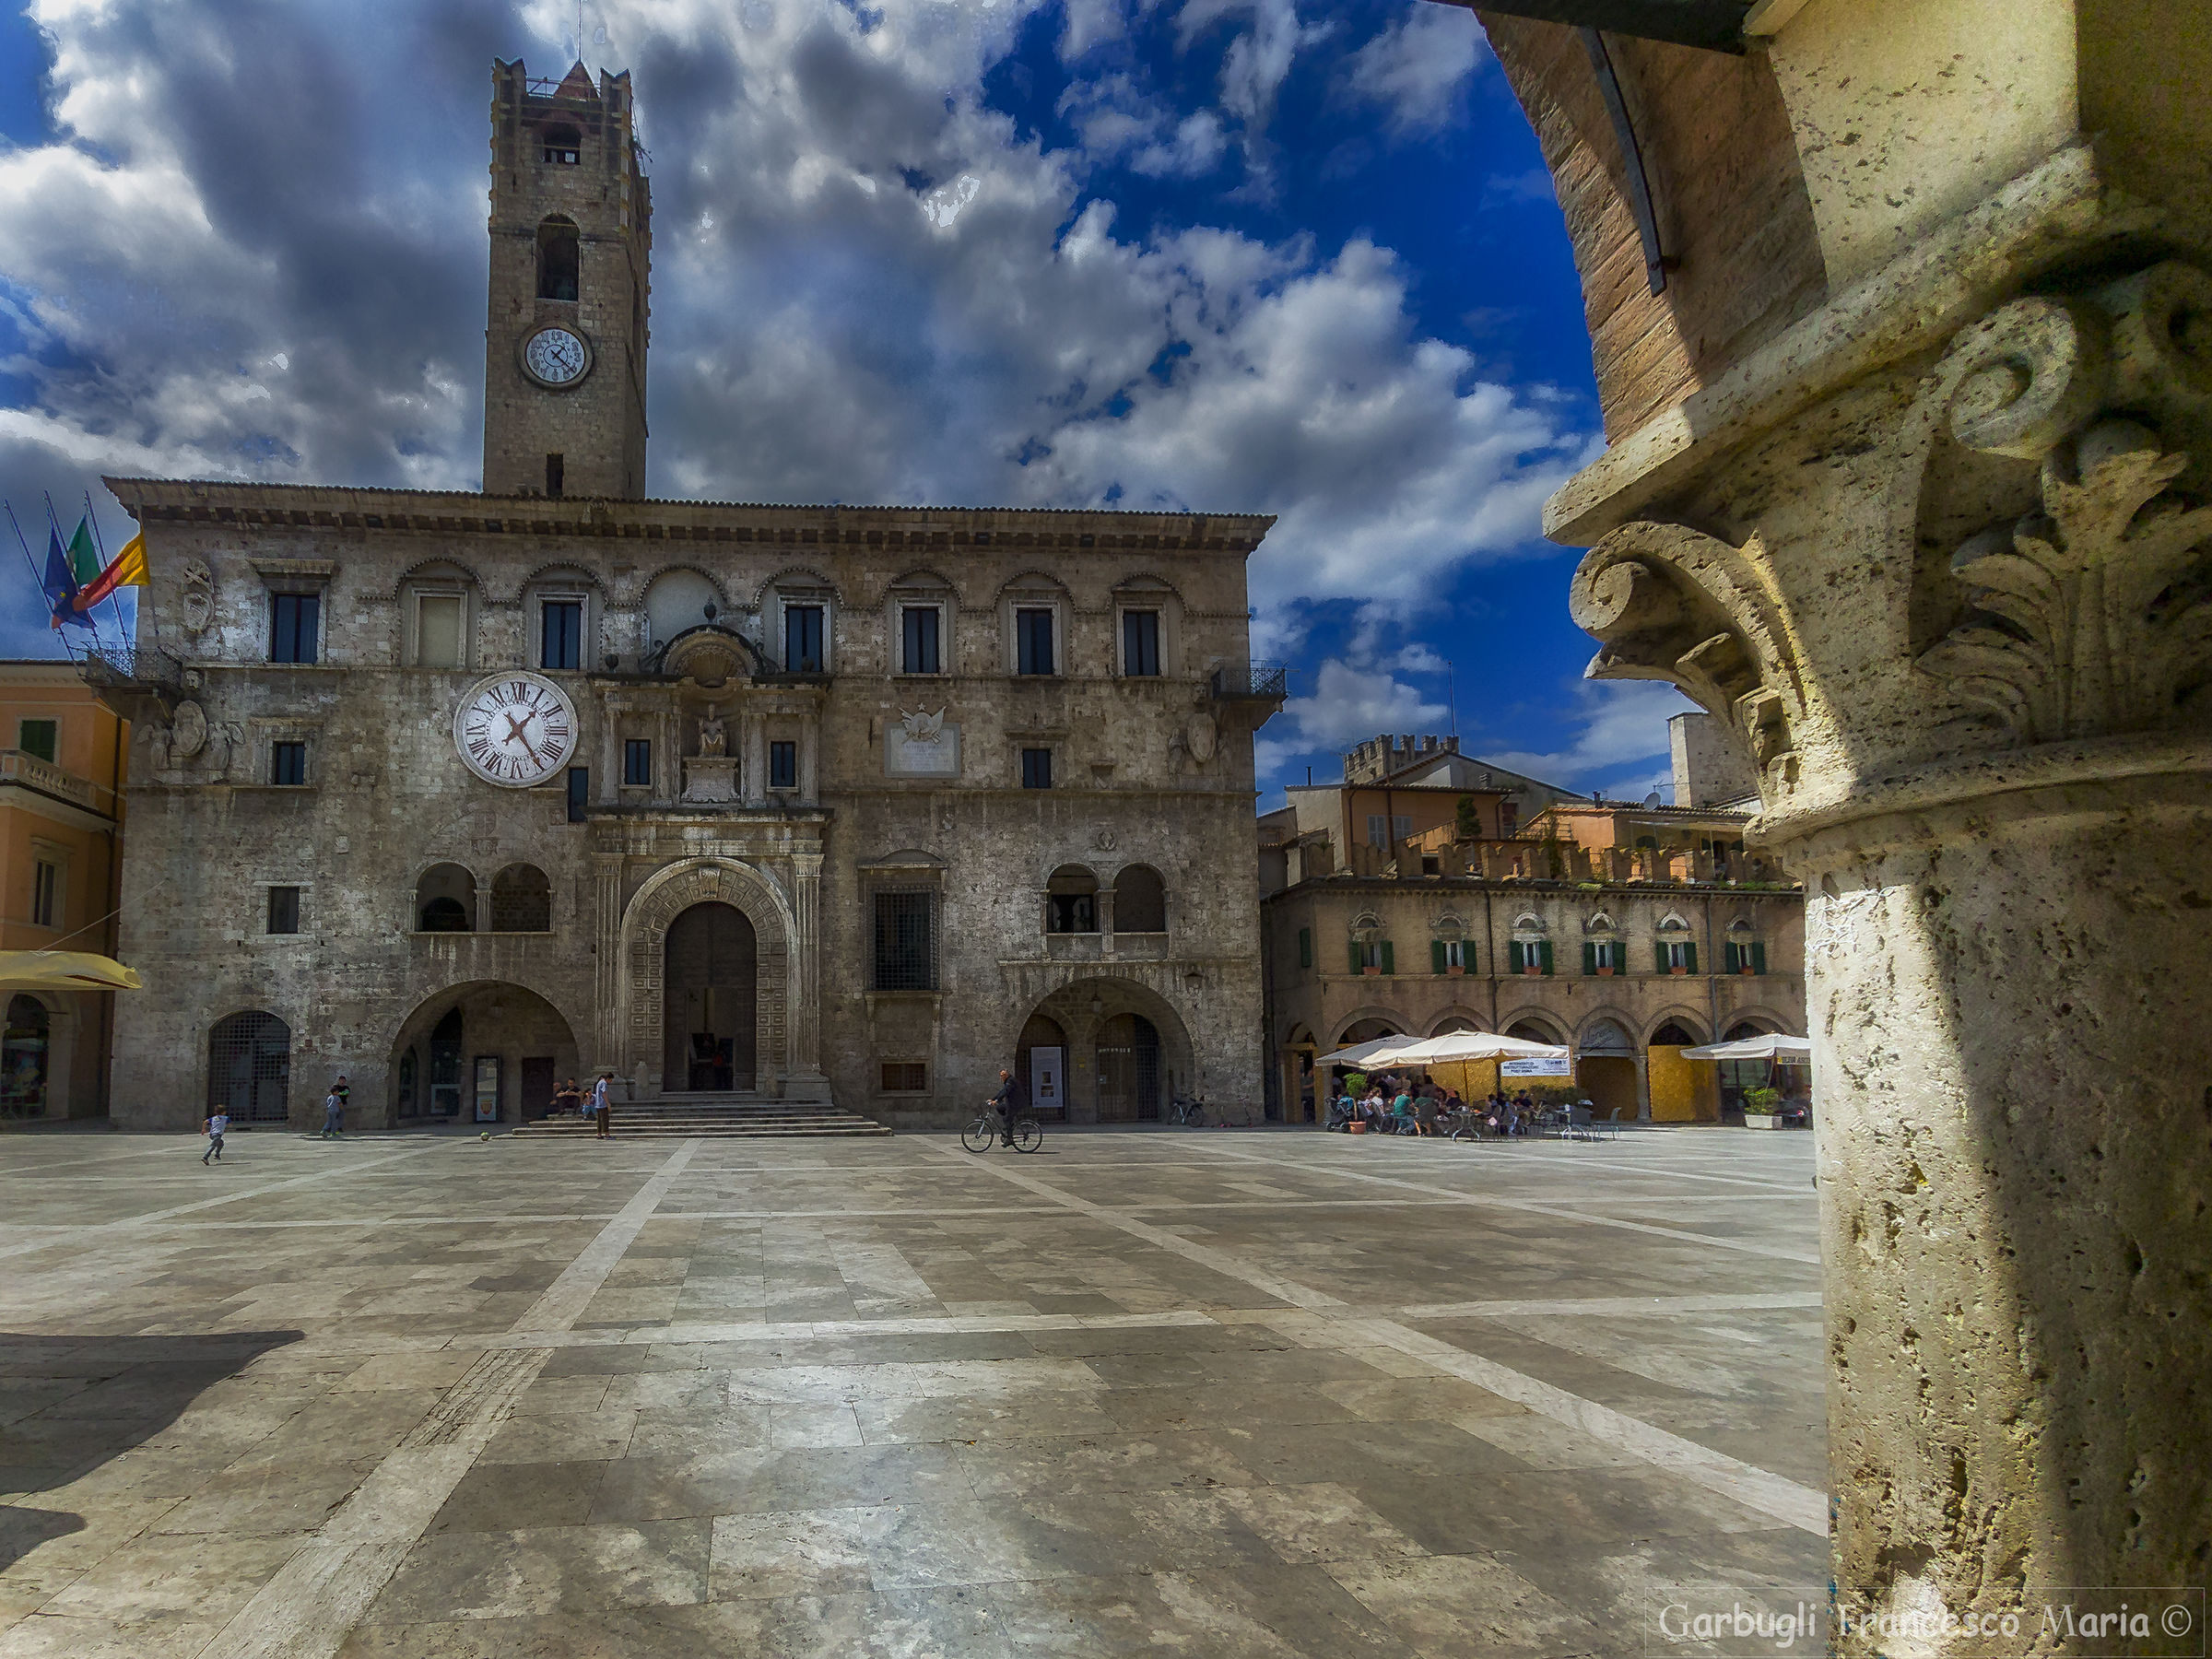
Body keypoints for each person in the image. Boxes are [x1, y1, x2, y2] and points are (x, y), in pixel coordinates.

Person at [987, 1067, 1027, 1147]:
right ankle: (1009, 1125)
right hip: (1011, 1103)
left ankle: (1009, 1139)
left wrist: (997, 1100)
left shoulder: (1010, 1081)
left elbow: (1006, 1091)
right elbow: (1002, 1091)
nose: (1002, 1077)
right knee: (999, 1108)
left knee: (1007, 1119)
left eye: (1003, 1075)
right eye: (1001, 1075)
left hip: (1016, 1104)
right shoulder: (1008, 1081)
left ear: (1007, 1075)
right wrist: (993, 1099)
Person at [592, 1070, 615, 1139]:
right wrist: (608, 1103)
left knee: (599, 1120)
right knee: (605, 1119)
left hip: (598, 1104)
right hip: (602, 1104)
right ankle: (607, 1134)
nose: (610, 1082)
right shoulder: (604, 1083)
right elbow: (604, 1093)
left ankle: (599, 1134)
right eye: (611, 1080)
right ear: (608, 1079)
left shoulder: (599, 1082)